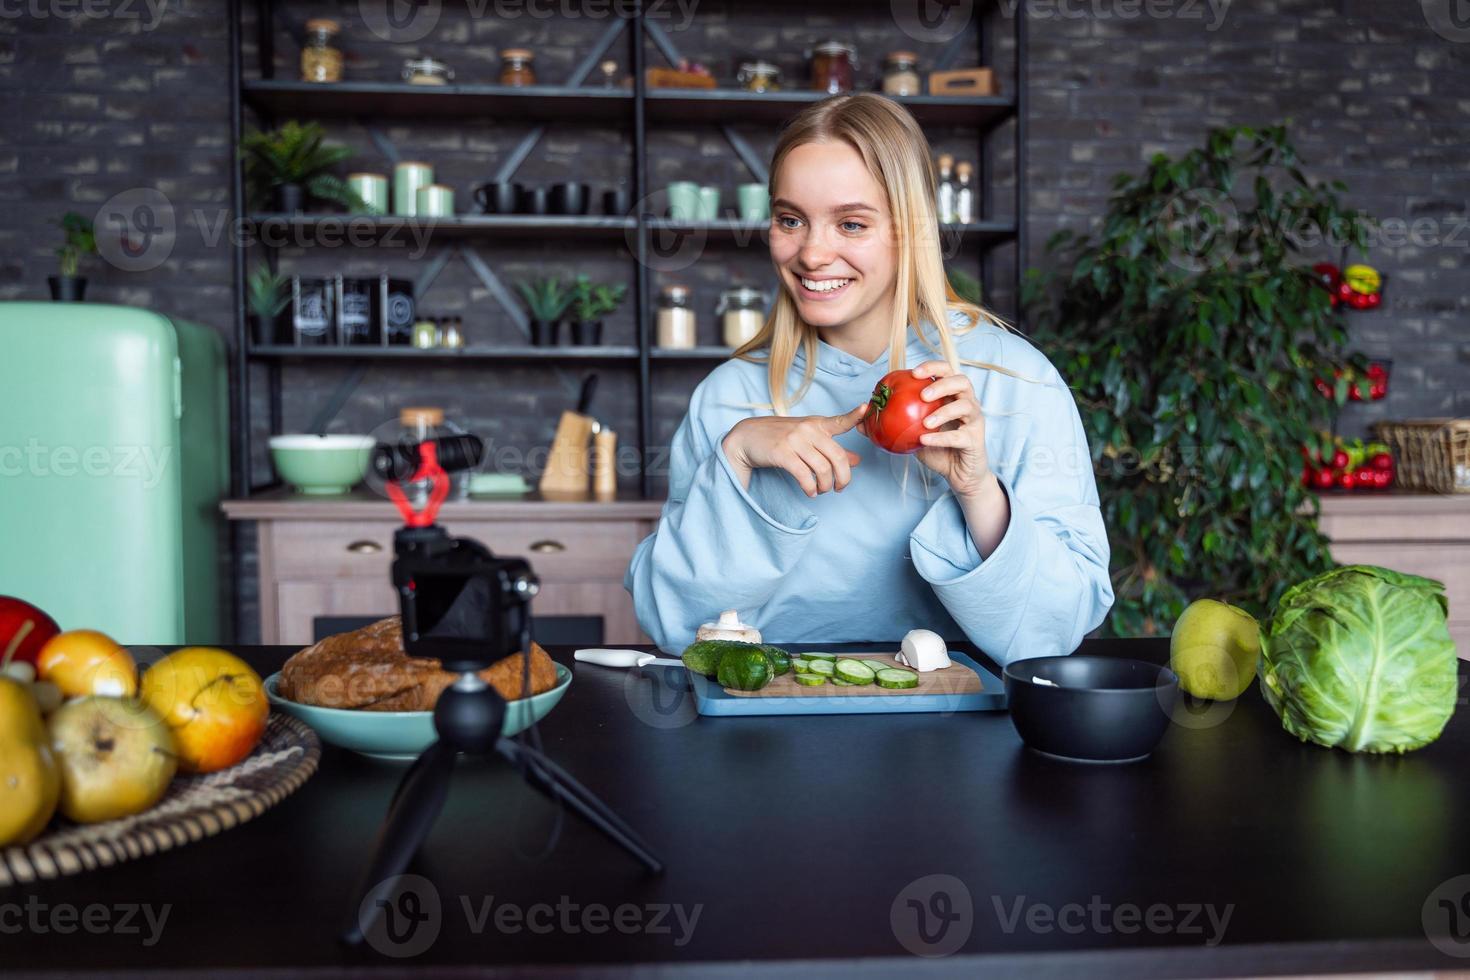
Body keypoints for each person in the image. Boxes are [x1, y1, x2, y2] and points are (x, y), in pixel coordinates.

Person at [624, 94, 1113, 665]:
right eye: (790, 220)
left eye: (851, 223)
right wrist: (737, 456)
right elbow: (674, 627)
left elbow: (1056, 630)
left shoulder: (1016, 380)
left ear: (910, 229)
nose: (811, 253)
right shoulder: (728, 398)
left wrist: (979, 493)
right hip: (764, 729)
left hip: (961, 735)